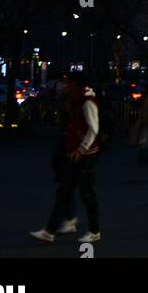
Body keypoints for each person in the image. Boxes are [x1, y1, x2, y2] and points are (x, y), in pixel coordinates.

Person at [30, 71, 100, 244]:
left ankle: (93, 230)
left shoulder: (86, 103)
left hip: (84, 156)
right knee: (65, 192)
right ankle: (50, 230)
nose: (65, 86)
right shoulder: (78, 101)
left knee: (86, 194)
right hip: (76, 154)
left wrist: (81, 149)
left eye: (68, 83)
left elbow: (93, 129)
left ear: (75, 84)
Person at [130, 78, 148, 164]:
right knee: (146, 141)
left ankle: (143, 157)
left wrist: (145, 121)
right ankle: (146, 157)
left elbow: (146, 111)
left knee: (144, 141)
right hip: (146, 121)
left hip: (145, 122)